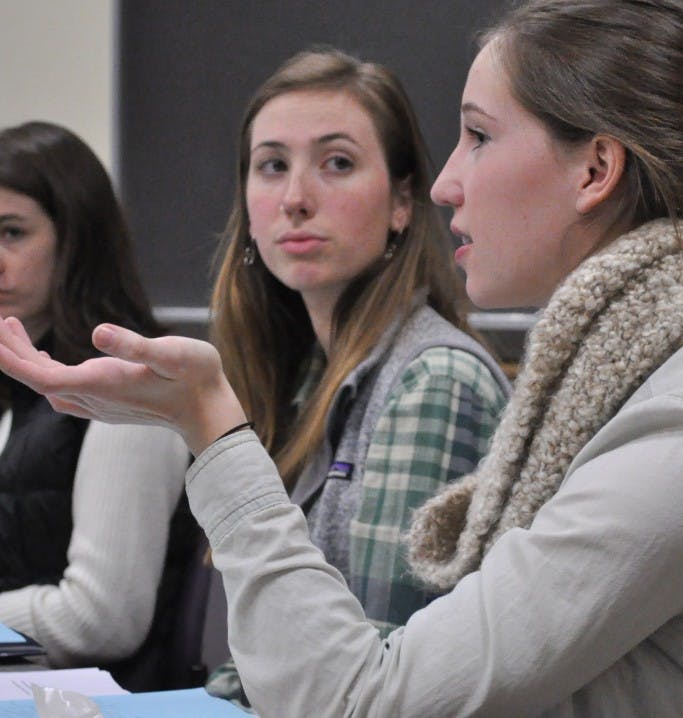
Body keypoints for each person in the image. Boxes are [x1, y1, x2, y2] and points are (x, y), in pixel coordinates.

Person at [0, 0, 683, 716]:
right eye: (269, 167)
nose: (452, 184)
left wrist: (211, 429)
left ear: (596, 168)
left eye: (475, 137)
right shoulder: (659, 377)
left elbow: (361, 699)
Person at [203, 49, 511, 705]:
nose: (294, 199)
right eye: (272, 166)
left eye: (336, 163)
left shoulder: (433, 381)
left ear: (402, 202)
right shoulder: (301, 372)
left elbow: (373, 676)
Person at [0, 121, 192, 688]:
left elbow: (101, 618)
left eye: (12, 233)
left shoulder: (129, 386)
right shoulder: (17, 385)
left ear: (77, 239)